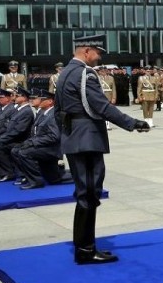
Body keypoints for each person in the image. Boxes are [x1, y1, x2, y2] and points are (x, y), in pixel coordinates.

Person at [54, 34, 150, 264]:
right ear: (87, 51)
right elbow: (100, 105)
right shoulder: (85, 73)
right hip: (87, 139)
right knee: (89, 193)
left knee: (84, 193)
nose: (99, 58)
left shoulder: (65, 72)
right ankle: (86, 251)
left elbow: (58, 110)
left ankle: (83, 247)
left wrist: (68, 132)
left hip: (73, 137)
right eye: (98, 53)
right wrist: (132, 122)